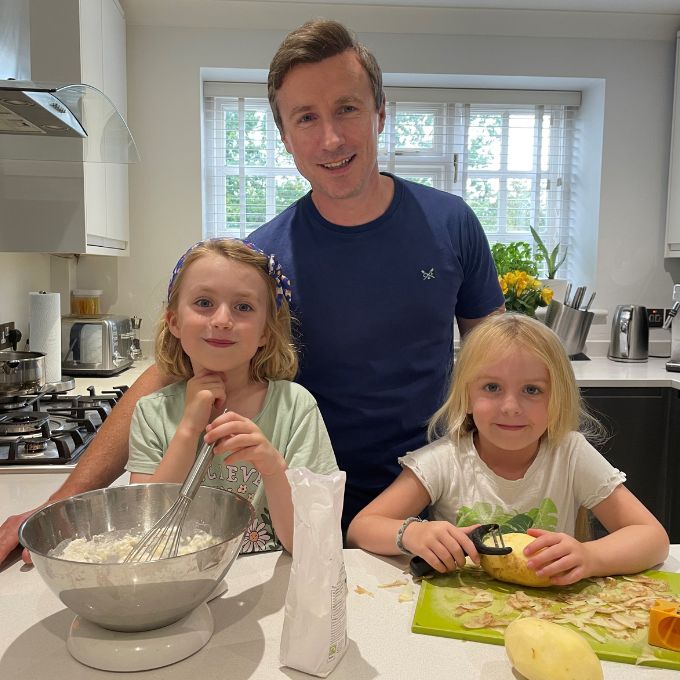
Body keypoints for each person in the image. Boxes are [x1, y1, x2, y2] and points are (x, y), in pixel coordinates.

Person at [0, 18, 503, 563]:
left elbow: (496, 362)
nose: (330, 138)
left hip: (433, 504)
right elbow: (170, 372)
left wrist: (521, 476)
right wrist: (67, 496)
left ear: (381, 113)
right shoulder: (265, 262)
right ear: (285, 137)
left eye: (347, 109)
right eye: (306, 117)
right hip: (295, 509)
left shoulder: (450, 225)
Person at [346, 314, 669, 585]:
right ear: (467, 396)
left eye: (532, 390)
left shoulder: (569, 453)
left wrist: (591, 556)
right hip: (464, 611)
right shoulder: (444, 460)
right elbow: (361, 529)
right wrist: (414, 533)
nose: (511, 407)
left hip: (553, 612)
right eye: (492, 388)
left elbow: (653, 538)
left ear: (558, 398)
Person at [126, 238, 337, 554]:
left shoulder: (295, 408)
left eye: (243, 307)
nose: (222, 320)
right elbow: (145, 531)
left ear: (265, 332)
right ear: (174, 322)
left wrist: (272, 468)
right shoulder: (152, 414)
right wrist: (187, 430)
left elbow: (308, 544)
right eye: (204, 303)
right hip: (180, 584)